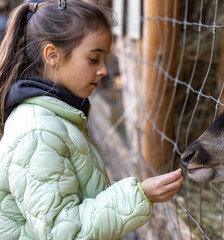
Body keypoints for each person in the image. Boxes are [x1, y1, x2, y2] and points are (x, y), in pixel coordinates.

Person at [0, 0, 184, 239]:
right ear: (52, 55)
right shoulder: (38, 133)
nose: (104, 70)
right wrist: (140, 195)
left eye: (105, 58)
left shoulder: (56, 117)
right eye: (94, 59)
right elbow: (63, 232)